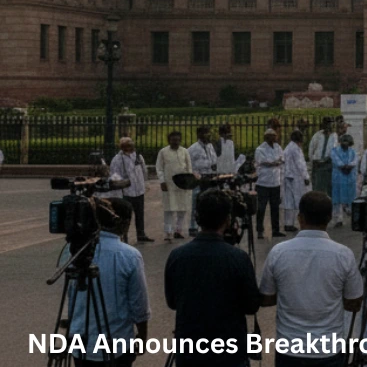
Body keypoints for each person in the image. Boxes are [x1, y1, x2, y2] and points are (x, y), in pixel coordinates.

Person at [260, 192, 364, 367]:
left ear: (300, 218)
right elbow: (354, 303)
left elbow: (266, 298)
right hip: (328, 350)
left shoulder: (279, 252)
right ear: (329, 218)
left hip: (289, 350)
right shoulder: (343, 255)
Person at [165, 189, 262, 367]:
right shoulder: (238, 258)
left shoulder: (177, 256)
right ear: (228, 219)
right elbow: (251, 305)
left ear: (197, 216)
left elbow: (172, 302)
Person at [65, 198, 150, 367]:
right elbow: (139, 303)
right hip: (118, 344)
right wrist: (142, 337)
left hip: (81, 343)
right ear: (125, 223)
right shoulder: (129, 255)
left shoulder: (74, 251)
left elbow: (70, 294)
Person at [109, 137, 152, 243]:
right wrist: (122, 183)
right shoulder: (117, 159)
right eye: (128, 145)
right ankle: (124, 237)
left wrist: (144, 184)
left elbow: (144, 170)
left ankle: (141, 234)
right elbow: (114, 175)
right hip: (126, 192)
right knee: (125, 216)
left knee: (140, 214)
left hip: (139, 190)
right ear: (123, 147)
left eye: (132, 145)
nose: (131, 147)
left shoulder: (138, 156)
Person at [157, 131, 194, 242]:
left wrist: (189, 180)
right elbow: (159, 168)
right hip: (169, 184)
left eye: (178, 140)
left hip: (183, 184)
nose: (176, 142)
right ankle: (168, 233)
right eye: (173, 140)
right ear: (169, 140)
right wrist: (162, 181)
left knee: (182, 208)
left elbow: (189, 167)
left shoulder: (184, 151)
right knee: (169, 209)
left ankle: (178, 231)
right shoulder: (163, 152)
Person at [187, 126, 219, 236]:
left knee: (211, 201)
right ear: (199, 134)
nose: (208, 135)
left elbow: (214, 160)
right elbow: (188, 165)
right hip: (199, 179)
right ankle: (193, 227)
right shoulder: (192, 149)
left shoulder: (210, 146)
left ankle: (209, 225)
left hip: (210, 177)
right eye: (205, 133)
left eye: (208, 133)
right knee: (197, 203)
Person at [254, 130, 286, 240]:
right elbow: (264, 162)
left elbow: (282, 159)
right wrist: (274, 162)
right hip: (263, 182)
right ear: (267, 137)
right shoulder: (260, 149)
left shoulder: (278, 147)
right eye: (273, 136)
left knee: (275, 207)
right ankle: (259, 230)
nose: (276, 138)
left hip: (275, 182)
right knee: (261, 208)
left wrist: (274, 162)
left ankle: (275, 230)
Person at [282, 130, 310, 232]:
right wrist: (306, 177)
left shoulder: (288, 147)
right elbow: (300, 164)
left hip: (288, 176)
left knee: (289, 201)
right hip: (296, 177)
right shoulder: (296, 149)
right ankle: (302, 222)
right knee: (299, 201)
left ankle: (288, 223)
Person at [330, 133, 358, 227]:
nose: (345, 144)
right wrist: (343, 166)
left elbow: (355, 160)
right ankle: (339, 218)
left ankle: (352, 215)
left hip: (350, 177)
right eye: (343, 141)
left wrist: (349, 166)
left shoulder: (352, 151)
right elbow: (336, 160)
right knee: (337, 198)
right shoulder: (335, 151)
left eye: (347, 142)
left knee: (351, 196)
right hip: (339, 177)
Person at [309, 117, 338, 197]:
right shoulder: (317, 135)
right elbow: (311, 149)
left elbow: (334, 150)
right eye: (328, 123)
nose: (330, 125)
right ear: (324, 124)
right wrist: (313, 161)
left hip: (328, 164)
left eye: (332, 123)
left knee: (329, 188)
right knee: (318, 188)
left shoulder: (334, 136)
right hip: (318, 164)